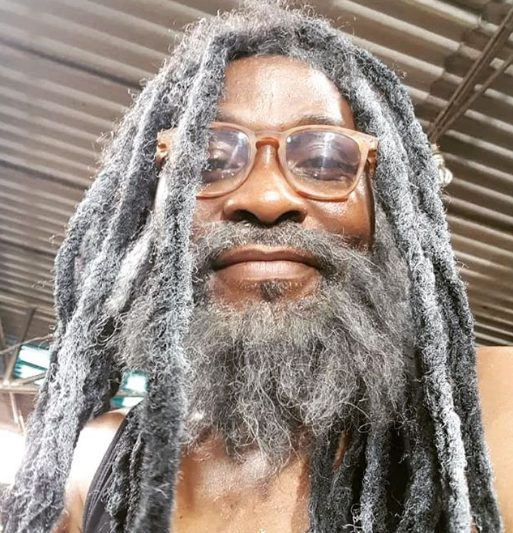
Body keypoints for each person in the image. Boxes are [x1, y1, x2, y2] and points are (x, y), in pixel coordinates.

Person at [2, 2, 512, 532]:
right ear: (148, 208)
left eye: (324, 161)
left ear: (383, 201)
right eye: (208, 160)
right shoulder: (91, 463)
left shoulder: (492, 411)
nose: (266, 198)